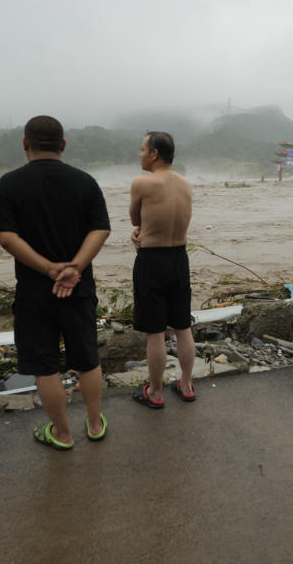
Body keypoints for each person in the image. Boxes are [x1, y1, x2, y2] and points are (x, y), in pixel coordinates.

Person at [0, 115, 110, 449]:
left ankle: (62, 433)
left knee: (45, 366)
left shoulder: (9, 183)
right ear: (63, 145)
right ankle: (94, 422)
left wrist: (48, 269)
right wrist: (75, 267)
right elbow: (100, 229)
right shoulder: (85, 181)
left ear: (25, 143)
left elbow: (6, 237)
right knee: (87, 358)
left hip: (34, 292)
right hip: (80, 288)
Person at [129, 132, 196, 408]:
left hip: (152, 260)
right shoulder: (186, 184)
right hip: (179, 258)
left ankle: (155, 392)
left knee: (155, 332)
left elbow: (136, 219)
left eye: (143, 149)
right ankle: (187, 384)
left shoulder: (142, 183)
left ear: (155, 154)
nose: (140, 154)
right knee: (182, 326)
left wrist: (139, 232)